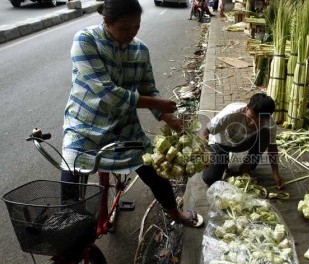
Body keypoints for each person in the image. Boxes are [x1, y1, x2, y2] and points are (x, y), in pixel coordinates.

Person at [61, 0, 203, 227]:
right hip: (84, 128)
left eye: (136, 26)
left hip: (124, 129)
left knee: (155, 172)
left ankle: (176, 214)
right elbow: (109, 93)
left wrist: (172, 121)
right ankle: (68, 228)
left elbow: (148, 89)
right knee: (71, 176)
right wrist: (158, 103)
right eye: (125, 28)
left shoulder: (140, 50)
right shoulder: (86, 40)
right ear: (106, 22)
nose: (131, 33)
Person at [200, 93, 284, 189]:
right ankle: (223, 160)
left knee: (265, 134)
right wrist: (205, 152)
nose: (253, 123)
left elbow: (272, 146)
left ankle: (246, 166)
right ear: (247, 108)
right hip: (220, 144)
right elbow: (205, 131)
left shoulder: (269, 123)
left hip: (242, 143)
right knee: (210, 178)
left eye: (260, 122)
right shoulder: (230, 113)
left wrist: (275, 173)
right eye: (251, 117)